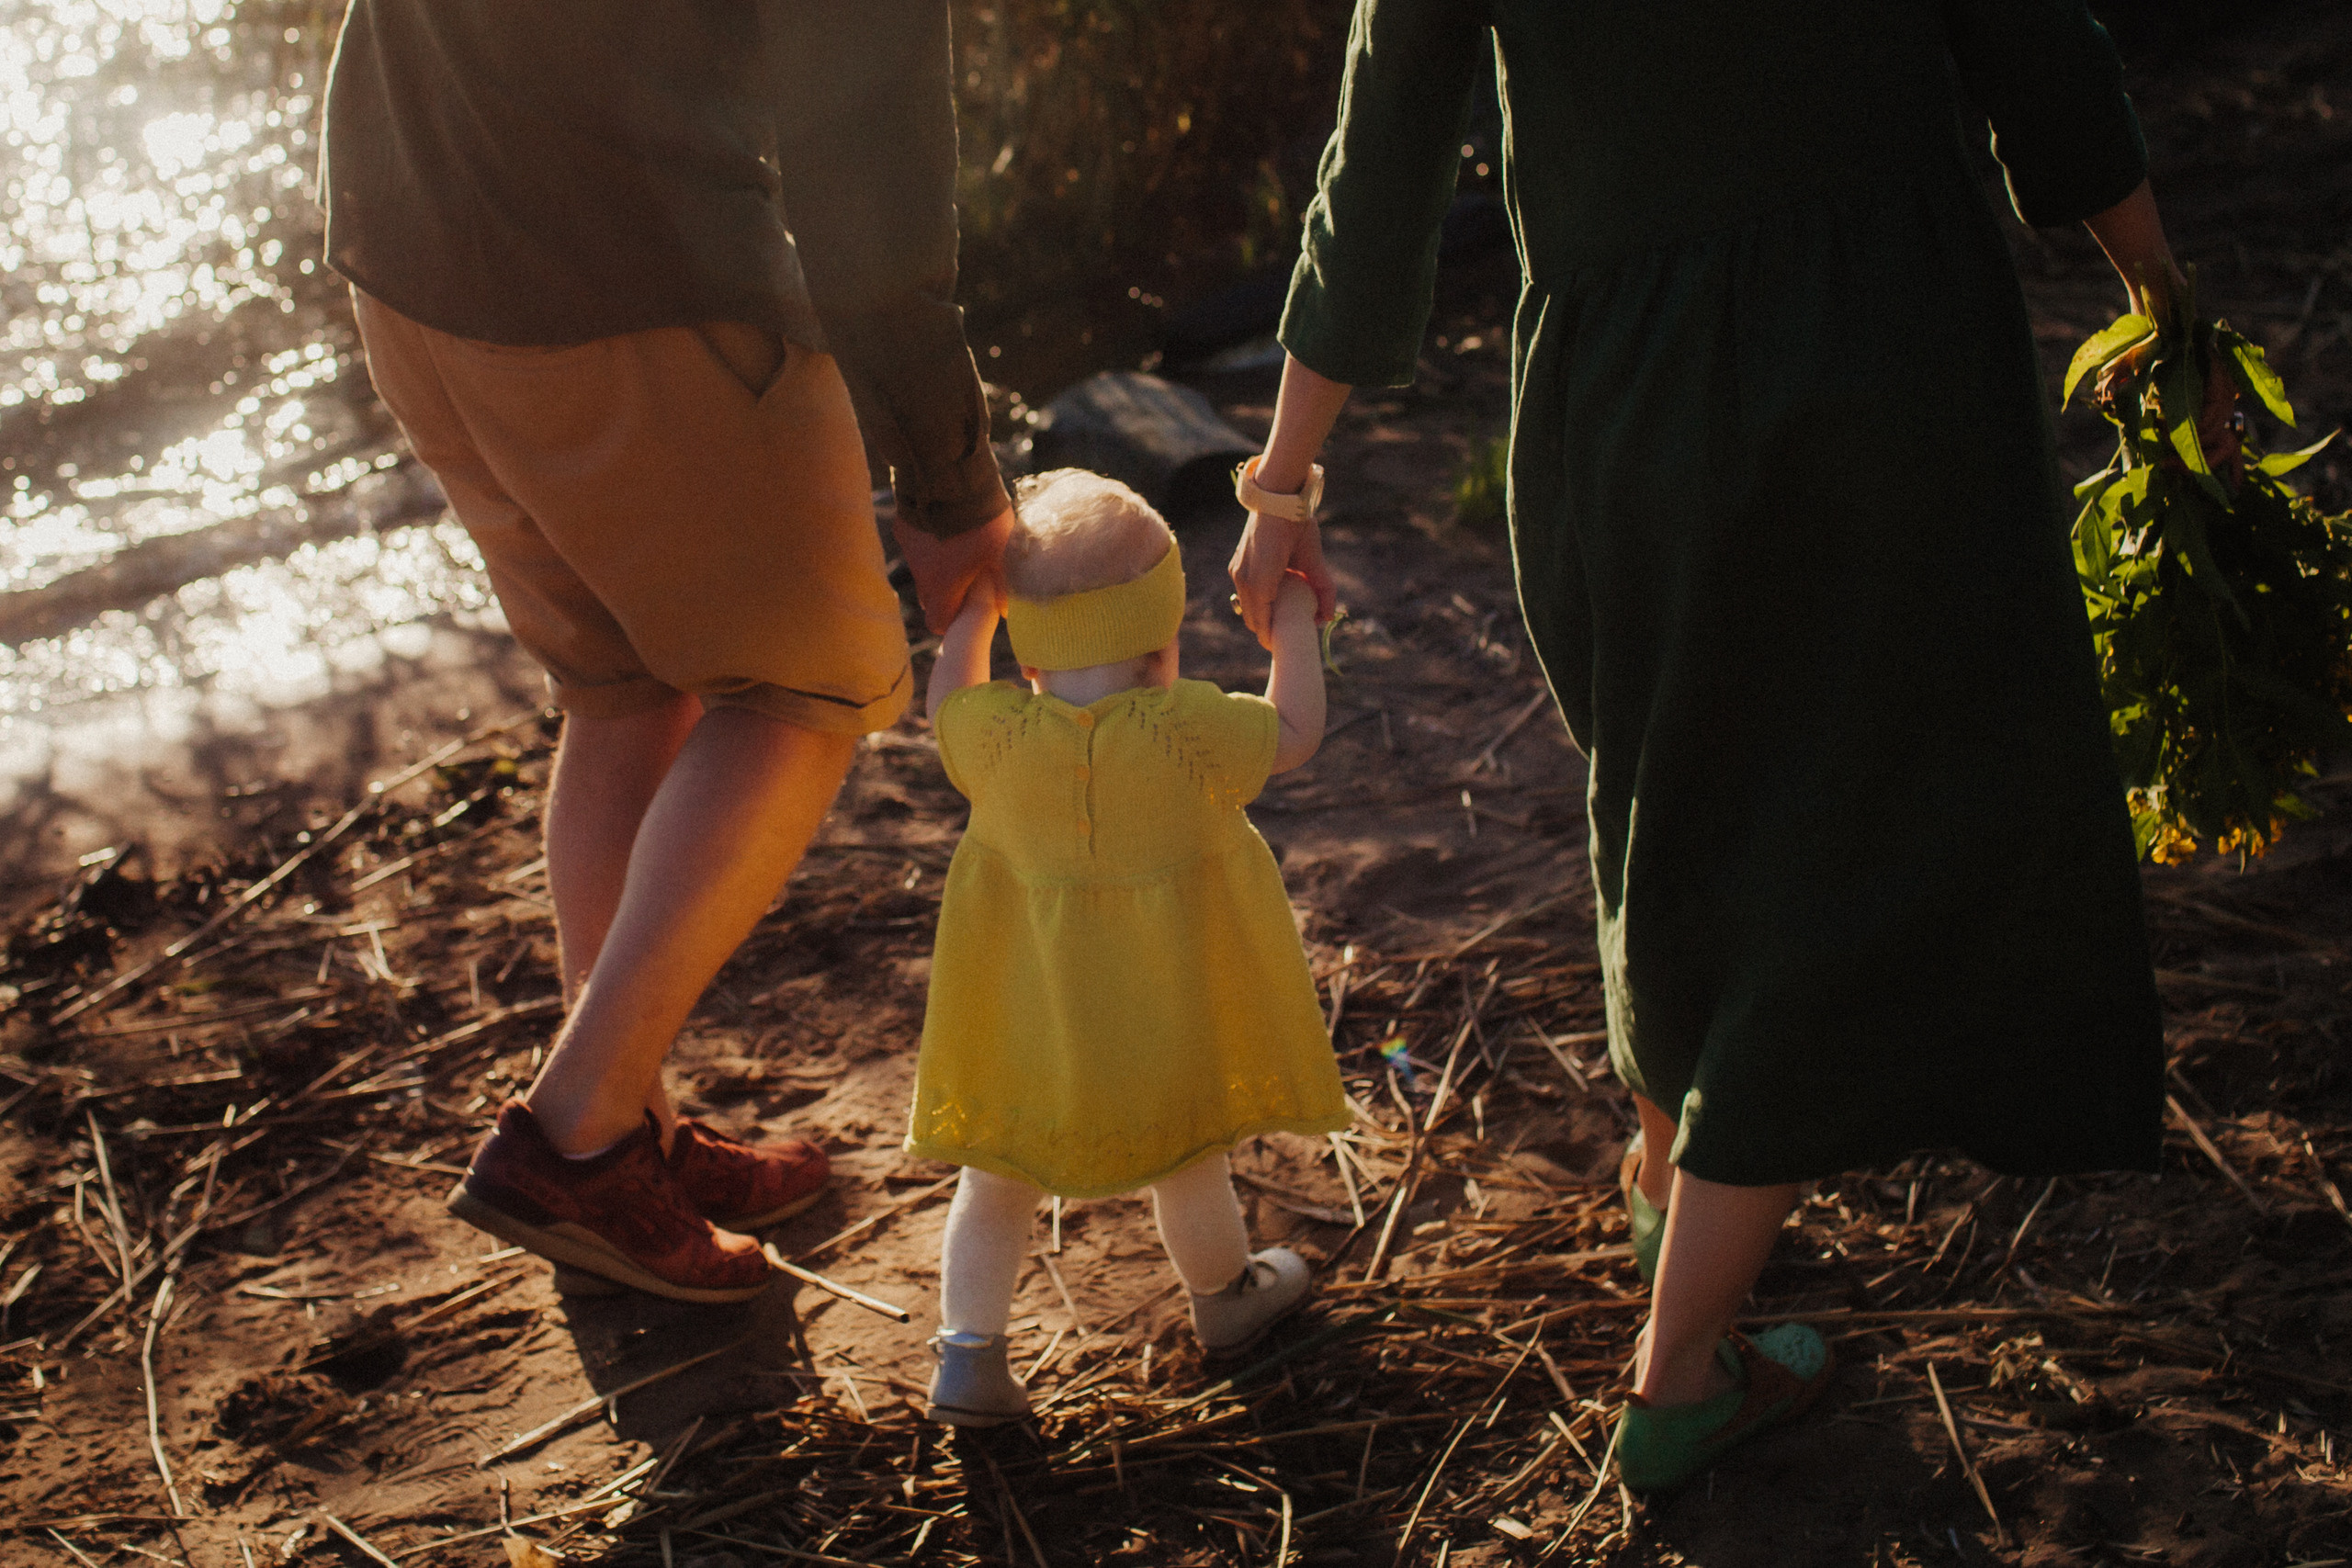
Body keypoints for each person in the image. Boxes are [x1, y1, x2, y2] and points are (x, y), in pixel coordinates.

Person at [1229, 0, 2235, 1492]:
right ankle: (1681, 1372)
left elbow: (1381, 151)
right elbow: (2036, 45)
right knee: (1846, 846)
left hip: (1609, 395)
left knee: (1673, 799)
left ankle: (1667, 1178)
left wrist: (1285, 478)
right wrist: (2165, 297)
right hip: (1874, 360)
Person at [320, 2, 1015, 1303]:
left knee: (623, 690)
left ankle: (623, 1134)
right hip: (623, 277)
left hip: (406, 248)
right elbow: (865, 156)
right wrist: (948, 474)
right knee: (804, 693)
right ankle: (576, 1135)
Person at [907, 468, 1346, 1426]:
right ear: (1165, 641)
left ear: (1027, 654)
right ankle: (1224, 1301)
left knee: (995, 1183)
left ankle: (968, 1357)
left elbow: (947, 699)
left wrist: (972, 617)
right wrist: (1298, 629)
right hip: (1156, 1025)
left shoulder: (992, 739)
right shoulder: (1189, 732)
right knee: (1188, 1158)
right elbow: (1297, 732)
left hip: (1024, 1032)